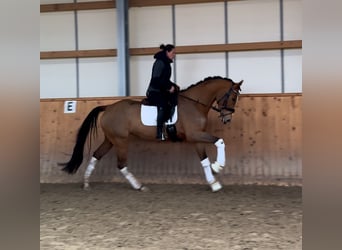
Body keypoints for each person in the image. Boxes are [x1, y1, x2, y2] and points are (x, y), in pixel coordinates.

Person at [146, 44, 179, 141]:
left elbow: (165, 80)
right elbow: (156, 80)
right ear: (167, 52)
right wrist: (169, 87)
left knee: (174, 100)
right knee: (164, 104)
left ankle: (170, 126)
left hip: (161, 90)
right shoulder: (160, 63)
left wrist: (174, 86)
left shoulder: (167, 63)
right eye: (173, 53)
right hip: (154, 91)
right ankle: (159, 132)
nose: (174, 55)